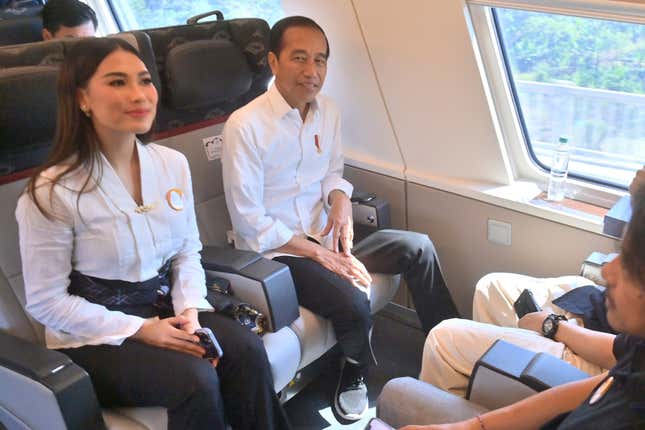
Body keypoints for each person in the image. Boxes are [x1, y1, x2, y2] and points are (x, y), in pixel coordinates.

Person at [16, 37, 290, 430]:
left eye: (144, 80)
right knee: (195, 381)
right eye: (116, 82)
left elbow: (186, 253)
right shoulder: (52, 192)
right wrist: (141, 330)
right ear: (82, 99)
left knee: (246, 351)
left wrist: (189, 313)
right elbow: (46, 303)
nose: (138, 94)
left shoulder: (171, 164)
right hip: (94, 334)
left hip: (163, 306)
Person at [222, 15, 459, 421]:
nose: (312, 71)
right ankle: (355, 374)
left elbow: (333, 170)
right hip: (279, 254)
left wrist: (341, 202)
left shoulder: (327, 111)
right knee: (353, 300)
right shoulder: (244, 126)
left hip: (329, 237)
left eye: (320, 60)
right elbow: (249, 221)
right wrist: (321, 257)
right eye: (299, 58)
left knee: (417, 247)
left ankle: (454, 347)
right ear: (274, 62)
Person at [402, 184, 645, 430]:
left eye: (627, 261)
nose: (607, 270)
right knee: (490, 286)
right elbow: (603, 373)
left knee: (442, 338)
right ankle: (486, 382)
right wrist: (468, 427)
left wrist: (553, 326)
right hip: (594, 317)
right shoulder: (637, 355)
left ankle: (489, 368)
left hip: (594, 346)